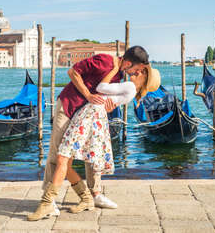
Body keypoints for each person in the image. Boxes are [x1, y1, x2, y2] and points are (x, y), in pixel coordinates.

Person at [28, 57, 160, 221]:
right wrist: (94, 95)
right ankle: (62, 199)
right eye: (139, 69)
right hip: (72, 107)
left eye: (142, 71)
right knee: (62, 156)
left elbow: (103, 91)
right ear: (128, 61)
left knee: (71, 157)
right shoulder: (105, 61)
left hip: (89, 116)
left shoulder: (125, 82)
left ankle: (86, 197)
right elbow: (74, 72)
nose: (138, 72)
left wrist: (107, 100)